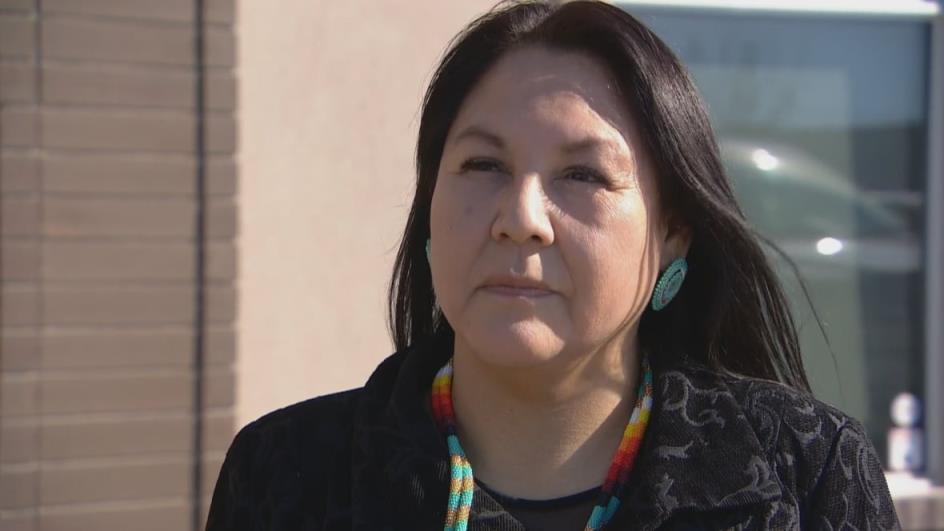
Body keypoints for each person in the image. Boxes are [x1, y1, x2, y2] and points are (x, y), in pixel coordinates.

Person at [206, 1, 900, 529]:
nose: (521, 217)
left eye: (583, 176)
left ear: (674, 234)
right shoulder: (288, 475)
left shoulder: (807, 474)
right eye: (483, 165)